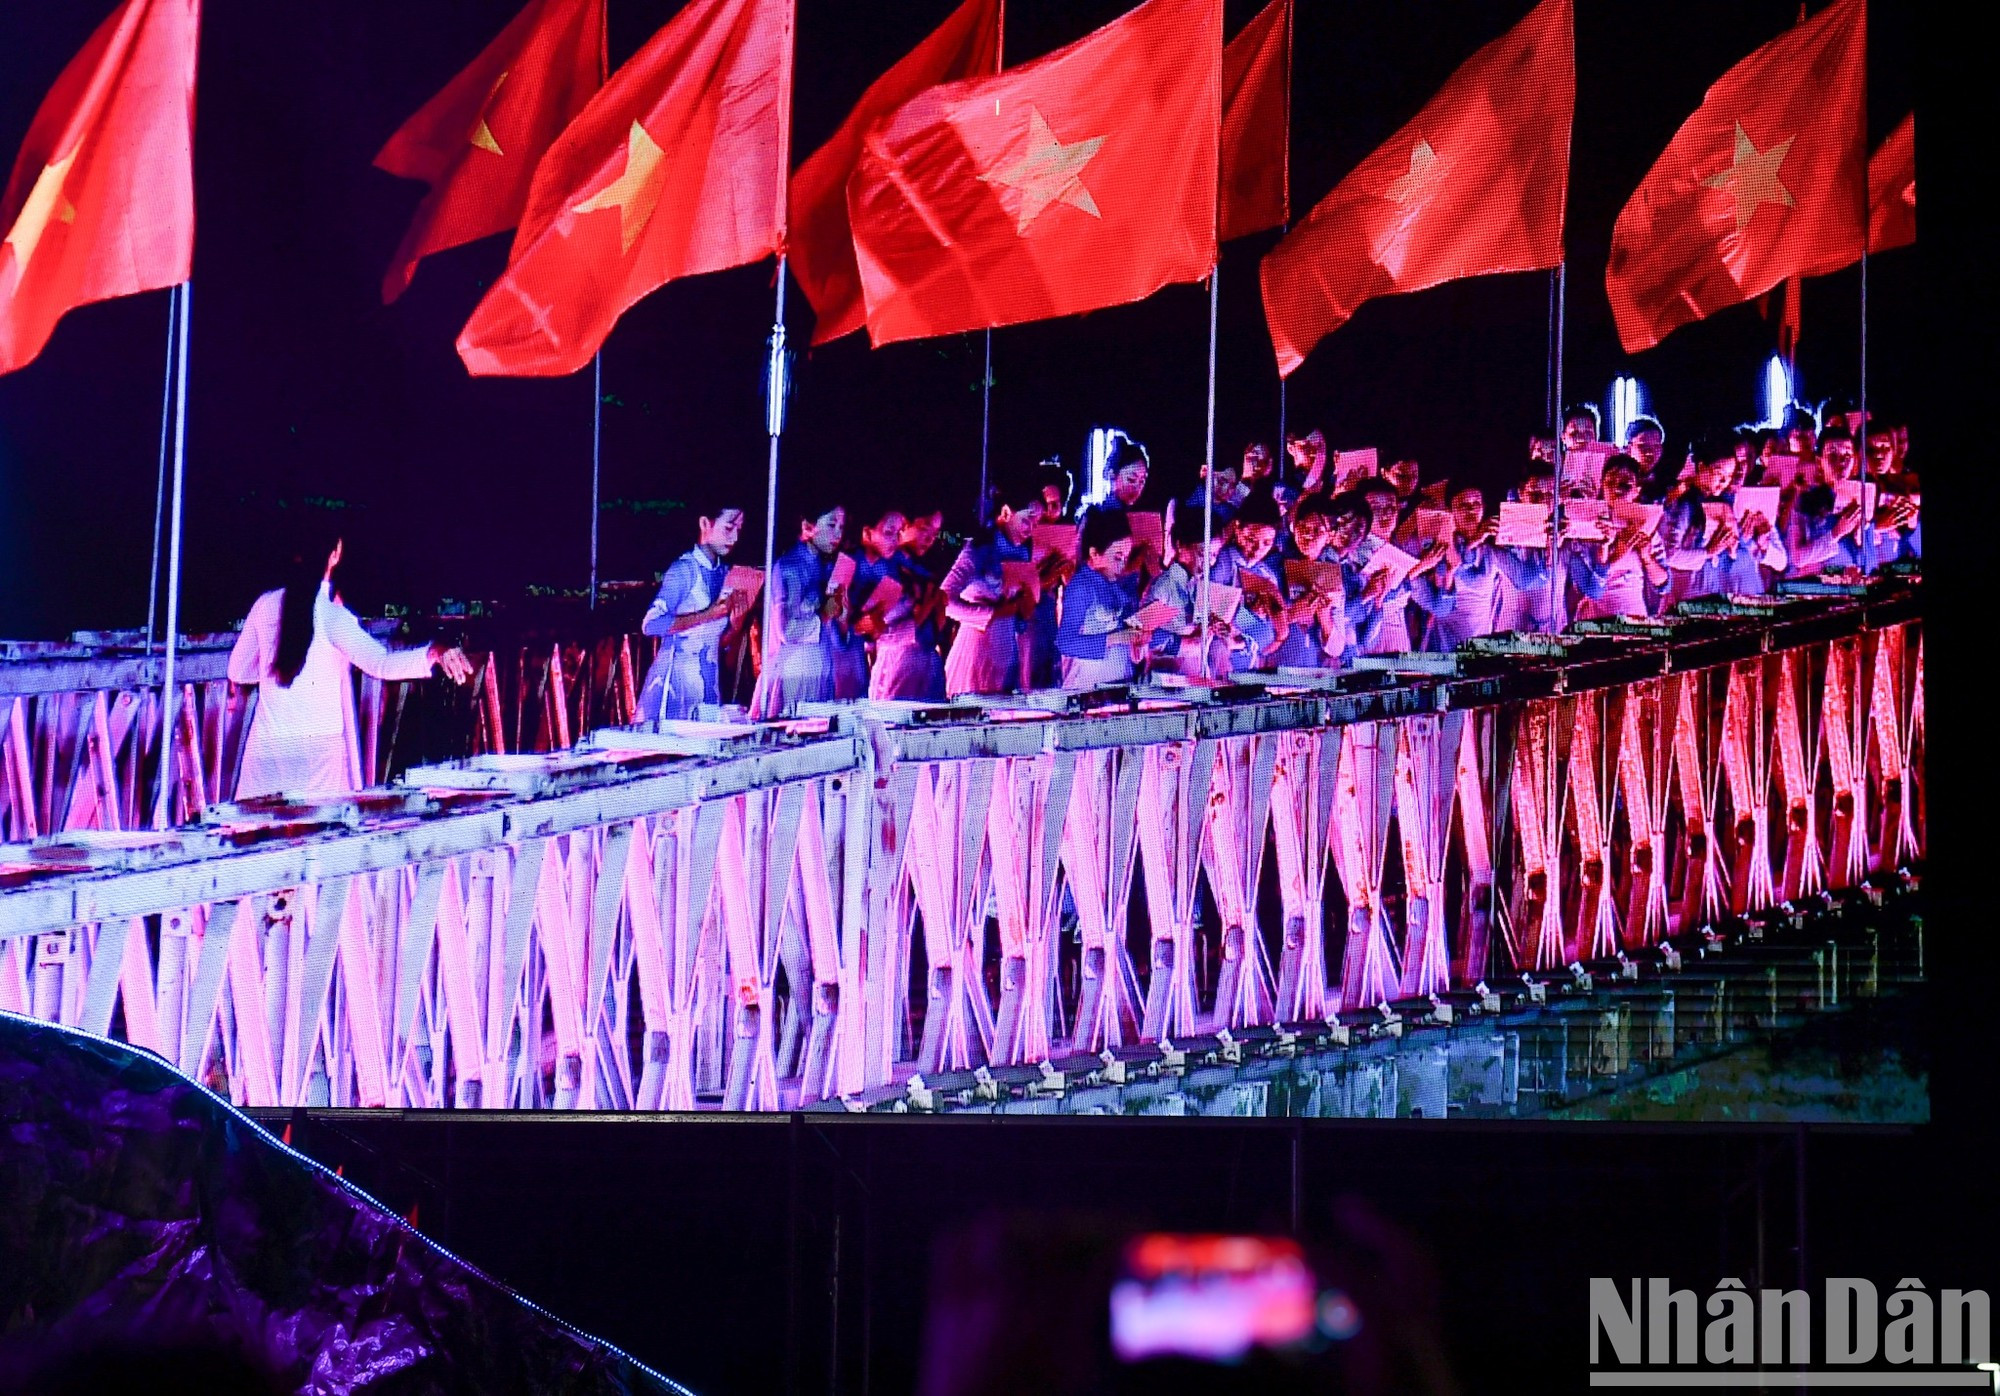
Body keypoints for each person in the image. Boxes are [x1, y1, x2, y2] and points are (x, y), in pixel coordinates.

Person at [229, 529, 471, 801]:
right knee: (317, 838)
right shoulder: (334, 617)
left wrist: (271, 671)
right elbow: (382, 665)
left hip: (265, 753)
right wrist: (434, 652)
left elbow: (237, 670)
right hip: (318, 758)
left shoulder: (265, 605)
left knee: (257, 839)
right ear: (335, 554)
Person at [638, 503, 746, 720]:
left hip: (708, 677)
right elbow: (651, 624)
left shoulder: (725, 573)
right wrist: (708, 614)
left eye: (739, 530)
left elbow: (720, 641)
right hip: (677, 676)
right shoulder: (684, 569)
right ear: (705, 523)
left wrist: (736, 622)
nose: (734, 538)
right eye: (728, 528)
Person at [943, 480, 1043, 697]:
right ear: (1006, 512)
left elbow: (1020, 614)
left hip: (1006, 649)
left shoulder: (1024, 554)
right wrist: (993, 613)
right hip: (976, 648)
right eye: (1027, 520)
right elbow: (946, 602)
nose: (1031, 529)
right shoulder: (978, 550)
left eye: (1037, 523)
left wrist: (1024, 609)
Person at [756, 500, 848, 716]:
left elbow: (838, 641)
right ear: (808, 527)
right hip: (793, 670)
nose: (838, 534)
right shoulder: (788, 567)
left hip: (822, 668)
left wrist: (842, 616)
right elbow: (786, 631)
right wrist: (824, 615)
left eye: (842, 528)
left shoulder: (828, 568)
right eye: (831, 525)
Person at [1660, 455, 1787, 600]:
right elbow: (1670, 555)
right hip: (1702, 596)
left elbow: (1781, 562)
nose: (1739, 471)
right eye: (1733, 465)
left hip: (1748, 594)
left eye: (1744, 462)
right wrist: (1708, 551)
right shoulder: (1689, 503)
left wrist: (1760, 544)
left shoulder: (1754, 501)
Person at [1055, 509, 1145, 688]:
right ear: (1095, 553)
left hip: (1120, 681)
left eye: (1126, 558)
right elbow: (1065, 643)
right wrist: (1114, 638)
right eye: (1117, 557)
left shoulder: (1120, 586)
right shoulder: (1081, 586)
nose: (1122, 565)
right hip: (1086, 686)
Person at [1573, 458, 1670, 620]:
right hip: (1594, 616)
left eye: (1625, 484)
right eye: (1610, 482)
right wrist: (1612, 549)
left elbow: (1664, 586)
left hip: (1634, 613)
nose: (1617, 488)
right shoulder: (1585, 526)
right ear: (1602, 486)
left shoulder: (1647, 526)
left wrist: (1647, 557)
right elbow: (1587, 587)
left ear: (1636, 491)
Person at [1146, 508, 1235, 678]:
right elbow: (1144, 637)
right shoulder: (1164, 587)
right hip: (1166, 683)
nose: (1209, 562)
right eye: (1202, 553)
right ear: (1180, 545)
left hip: (1197, 679)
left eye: (1214, 555)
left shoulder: (1200, 588)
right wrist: (1188, 642)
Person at [1213, 490, 1286, 669]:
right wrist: (1250, 616)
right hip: (1217, 660)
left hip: (1248, 664)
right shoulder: (1222, 562)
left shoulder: (1267, 574)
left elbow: (1270, 636)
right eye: (1251, 539)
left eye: (1267, 543)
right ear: (1237, 528)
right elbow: (1211, 616)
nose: (1257, 550)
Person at [844, 505, 908, 698]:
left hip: (861, 655)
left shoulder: (891, 569)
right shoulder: (846, 560)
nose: (895, 540)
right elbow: (830, 607)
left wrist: (876, 624)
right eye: (889, 532)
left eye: (898, 533)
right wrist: (847, 620)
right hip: (835, 650)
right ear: (867, 532)